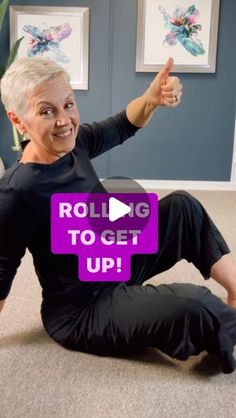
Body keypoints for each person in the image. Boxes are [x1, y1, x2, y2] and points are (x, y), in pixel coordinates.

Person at [0, 57, 236, 374]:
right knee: (195, 305)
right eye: (47, 111)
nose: (64, 120)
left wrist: (151, 99)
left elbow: (123, 124)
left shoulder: (76, 143)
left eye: (68, 104)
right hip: (82, 310)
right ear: (17, 120)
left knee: (182, 206)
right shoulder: (17, 192)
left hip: (113, 260)